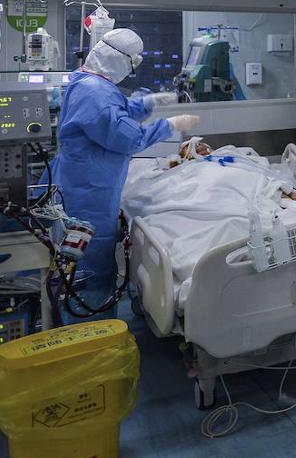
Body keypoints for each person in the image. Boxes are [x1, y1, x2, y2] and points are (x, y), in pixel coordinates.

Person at [52, 28, 200, 321]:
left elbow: (116, 112)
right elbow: (127, 137)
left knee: (82, 257)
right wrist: (170, 125)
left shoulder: (87, 80)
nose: (131, 71)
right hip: (89, 193)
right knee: (89, 263)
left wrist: (150, 102)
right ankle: (90, 325)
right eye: (132, 64)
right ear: (119, 59)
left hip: (82, 181)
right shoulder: (94, 93)